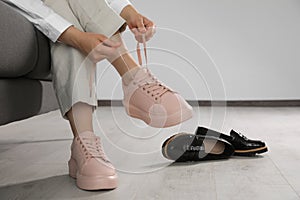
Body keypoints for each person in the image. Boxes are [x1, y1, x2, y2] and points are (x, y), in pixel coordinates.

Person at [3, 0, 193, 190]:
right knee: (70, 32)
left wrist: (130, 13)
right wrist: (76, 36)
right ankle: (132, 78)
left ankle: (84, 143)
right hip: (30, 10)